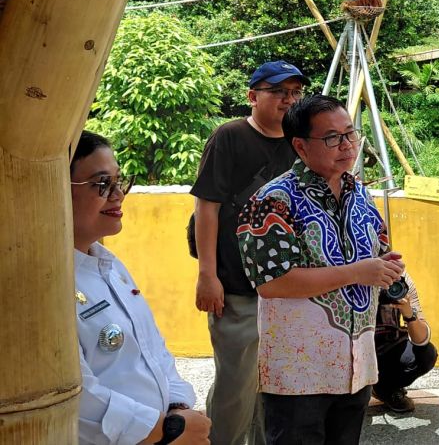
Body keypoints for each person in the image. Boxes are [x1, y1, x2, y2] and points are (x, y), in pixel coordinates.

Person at [236, 95, 405, 445]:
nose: (346, 145)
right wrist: (358, 272)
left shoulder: (358, 192)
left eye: (350, 134)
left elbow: (379, 246)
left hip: (356, 367)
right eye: (332, 137)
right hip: (300, 376)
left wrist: (386, 266)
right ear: (300, 145)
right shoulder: (274, 200)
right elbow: (273, 282)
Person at [191, 60, 307, 445]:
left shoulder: (301, 144)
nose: (288, 101)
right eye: (279, 92)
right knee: (235, 389)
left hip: (287, 289)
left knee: (273, 390)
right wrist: (208, 275)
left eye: (295, 93)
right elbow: (207, 207)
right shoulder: (230, 137)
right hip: (236, 288)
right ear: (253, 96)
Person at [72, 130, 210, 445]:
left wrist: (177, 407)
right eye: (101, 183)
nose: (118, 194)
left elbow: (154, 350)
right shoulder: (43, 284)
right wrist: (166, 431)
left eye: (119, 181)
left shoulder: (109, 265)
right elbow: (75, 395)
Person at [372, 272, 438, 413]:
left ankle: (385, 389)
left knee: (427, 354)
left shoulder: (401, 280)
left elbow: (422, 339)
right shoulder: (351, 272)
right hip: (351, 349)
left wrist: (409, 315)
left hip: (386, 349)